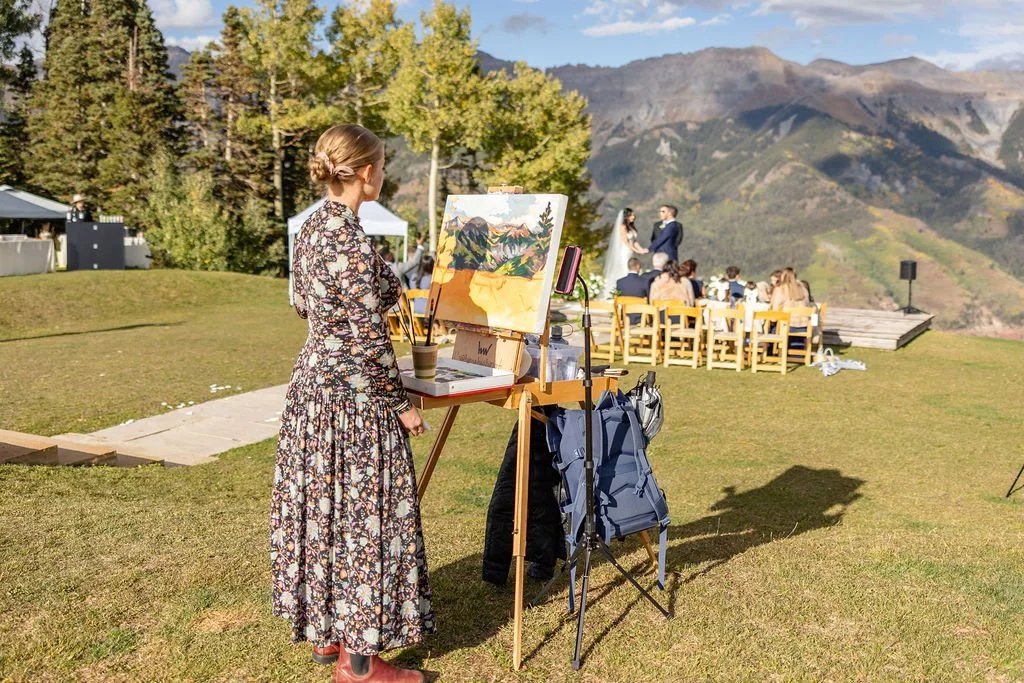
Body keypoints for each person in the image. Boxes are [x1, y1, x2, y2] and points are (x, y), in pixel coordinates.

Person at [272, 123, 432, 683]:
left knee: (323, 513)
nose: (384, 175)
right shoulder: (351, 240)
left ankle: (325, 635)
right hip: (353, 400)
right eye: (383, 167)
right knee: (365, 517)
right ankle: (360, 665)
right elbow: (369, 335)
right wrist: (401, 404)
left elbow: (301, 303)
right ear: (366, 172)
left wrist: (376, 281)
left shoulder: (316, 228)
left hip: (313, 388)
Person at [602, 207, 648, 297]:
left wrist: (641, 249)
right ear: (626, 216)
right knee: (625, 268)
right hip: (625, 250)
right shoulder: (622, 227)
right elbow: (625, 241)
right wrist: (636, 250)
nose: (633, 217)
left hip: (631, 250)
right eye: (631, 215)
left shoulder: (631, 227)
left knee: (631, 268)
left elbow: (634, 241)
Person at [616, 257, 650, 325]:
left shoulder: (620, 282)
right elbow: (648, 299)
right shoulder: (644, 281)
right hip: (640, 318)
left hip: (625, 317)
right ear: (638, 266)